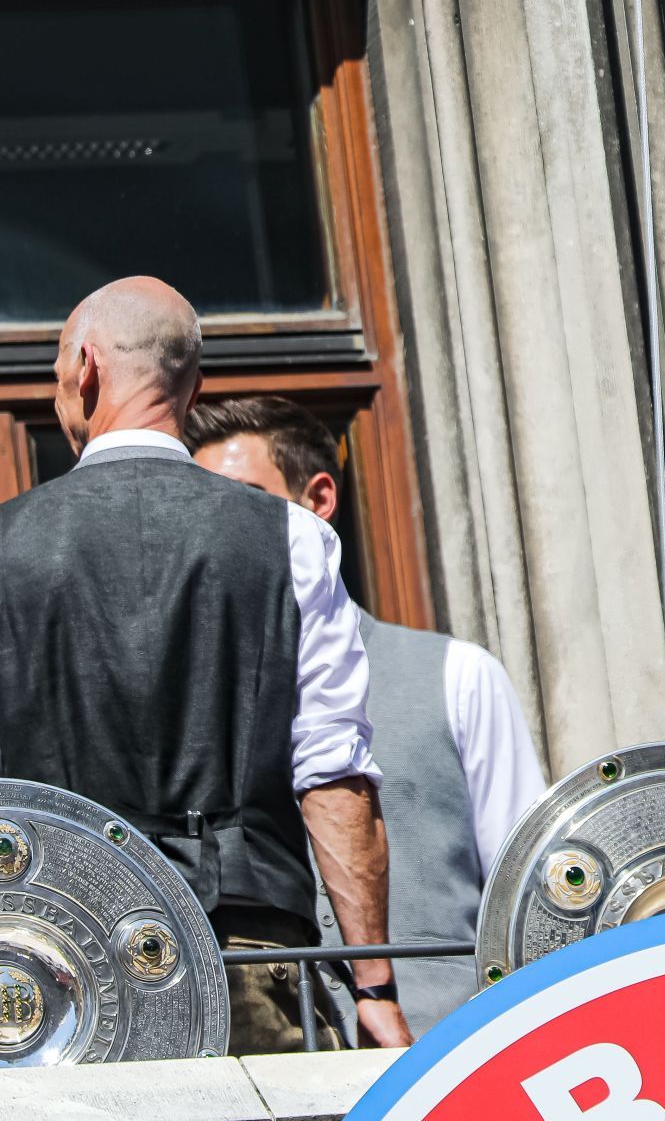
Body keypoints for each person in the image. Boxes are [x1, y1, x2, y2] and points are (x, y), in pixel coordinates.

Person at [0, 278, 410, 1051]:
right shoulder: (292, 537)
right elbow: (332, 776)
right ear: (192, 388)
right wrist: (374, 983)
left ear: (85, 368)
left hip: (52, 968)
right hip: (246, 947)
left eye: (55, 368)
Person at [185, 395, 548, 1037]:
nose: (220, 532)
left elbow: (529, 901)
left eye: (244, 501)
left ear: (319, 500)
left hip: (446, 1065)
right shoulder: (188, 704)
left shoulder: (457, 676)